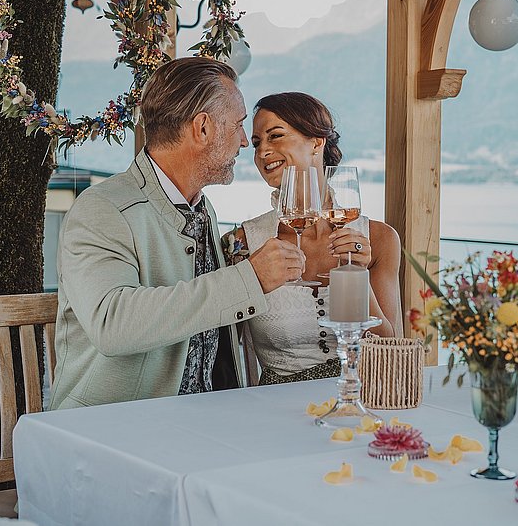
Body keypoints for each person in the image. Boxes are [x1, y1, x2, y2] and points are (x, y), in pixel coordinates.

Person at [48, 58, 306, 410]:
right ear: (202, 128)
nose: (245, 142)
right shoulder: (103, 209)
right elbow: (113, 323)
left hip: (204, 420)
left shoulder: (201, 208)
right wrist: (250, 279)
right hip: (117, 429)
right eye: (238, 126)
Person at [222, 92, 401, 385]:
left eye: (275, 136)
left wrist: (357, 276)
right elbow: (226, 353)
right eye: (256, 143)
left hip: (359, 401)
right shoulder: (241, 244)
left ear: (317, 142)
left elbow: (388, 351)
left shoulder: (380, 239)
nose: (262, 151)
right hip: (274, 409)